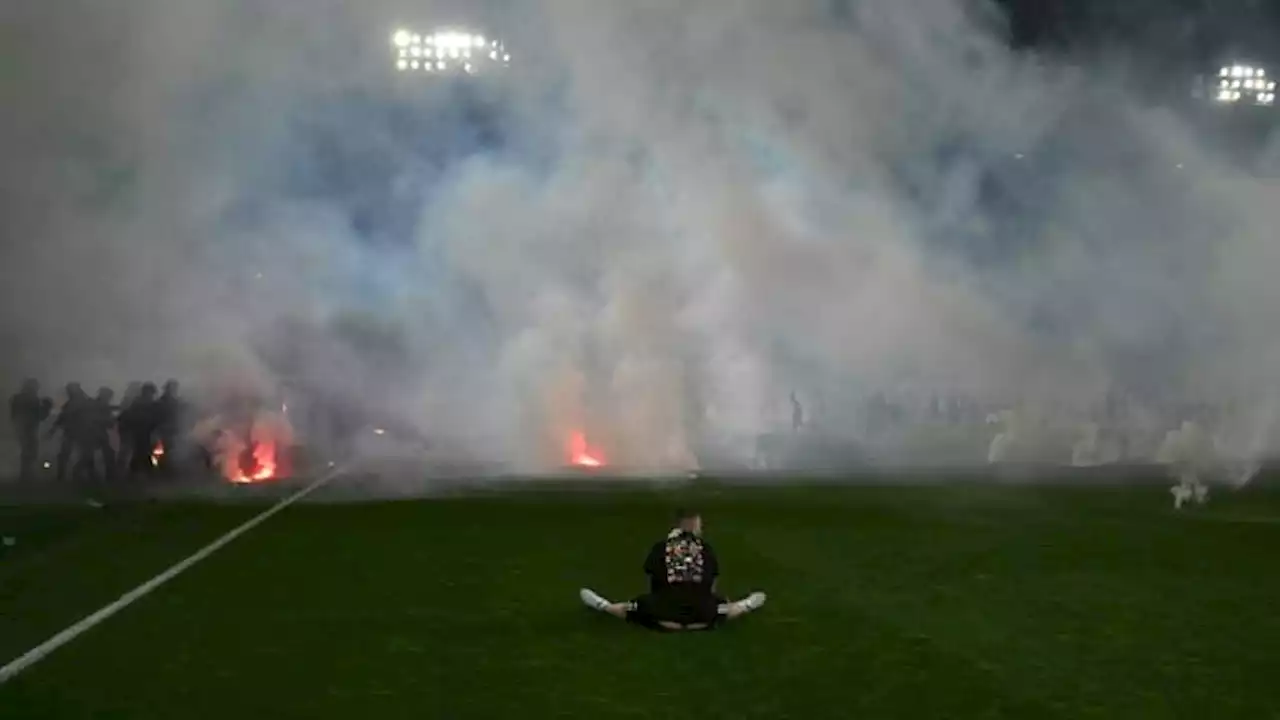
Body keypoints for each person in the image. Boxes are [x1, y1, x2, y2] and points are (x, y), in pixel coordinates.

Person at [579, 509, 766, 631]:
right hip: (703, 618)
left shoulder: (660, 547)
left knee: (628, 608)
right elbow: (711, 586)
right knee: (725, 607)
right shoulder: (706, 548)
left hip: (662, 617)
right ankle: (746, 605)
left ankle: (603, 605)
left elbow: (653, 582)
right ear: (694, 526)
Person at [9, 379, 52, 480]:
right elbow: (40, 416)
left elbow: (14, 415)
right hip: (28, 428)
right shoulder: (32, 399)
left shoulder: (18, 398)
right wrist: (46, 407)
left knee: (28, 451)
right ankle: (26, 474)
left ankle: (26, 473)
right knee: (30, 451)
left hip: (24, 427)